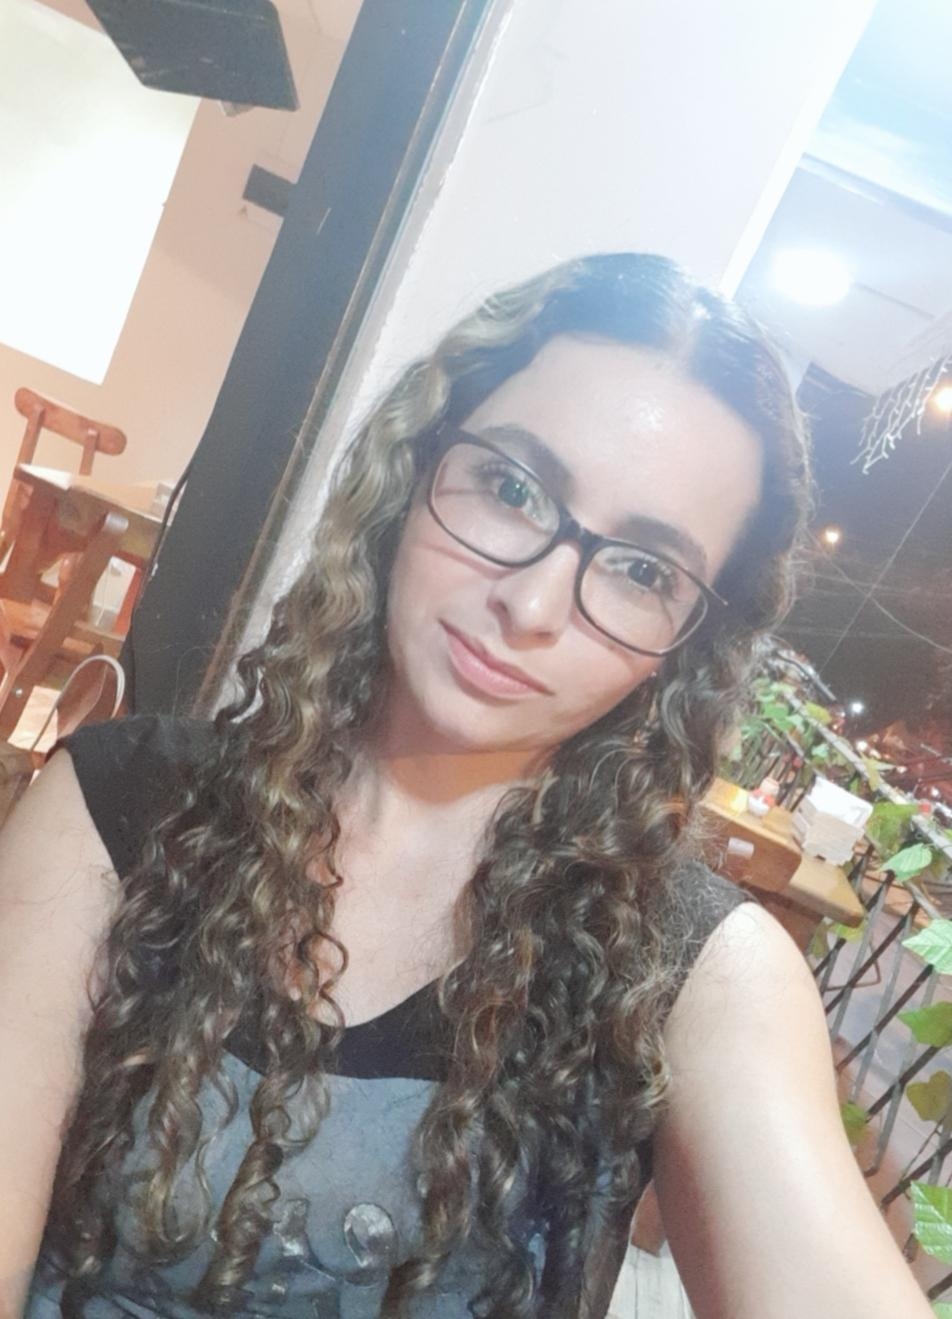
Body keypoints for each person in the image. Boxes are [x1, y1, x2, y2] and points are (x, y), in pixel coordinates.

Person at [1, 254, 930, 1319]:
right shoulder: (115, 809)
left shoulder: (694, 971)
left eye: (642, 570)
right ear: (417, 466)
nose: (531, 606)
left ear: (685, 644)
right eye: (514, 488)